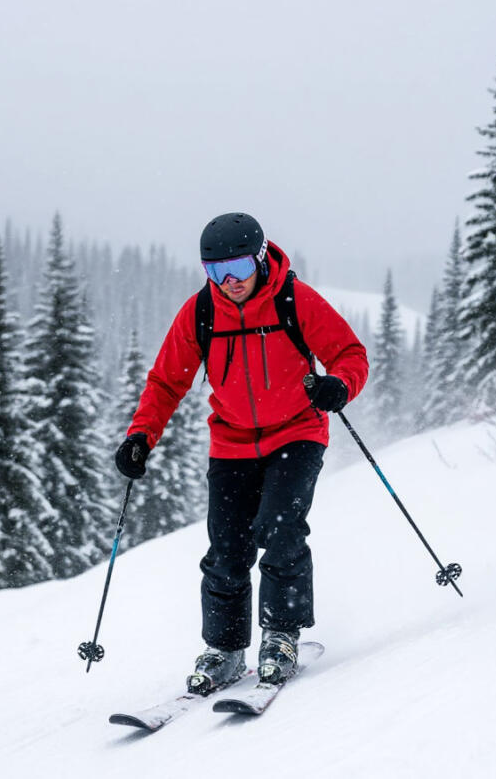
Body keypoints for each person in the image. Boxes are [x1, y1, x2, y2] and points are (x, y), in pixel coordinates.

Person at [114, 212, 368, 693]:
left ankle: (280, 635)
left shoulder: (295, 300)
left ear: (260, 258)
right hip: (231, 441)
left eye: (237, 269)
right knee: (227, 547)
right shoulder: (200, 313)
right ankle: (226, 649)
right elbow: (167, 381)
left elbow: (350, 355)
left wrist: (339, 385)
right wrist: (140, 436)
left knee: (280, 527)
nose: (228, 282)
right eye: (214, 272)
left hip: (297, 432)